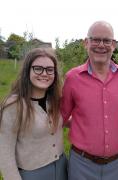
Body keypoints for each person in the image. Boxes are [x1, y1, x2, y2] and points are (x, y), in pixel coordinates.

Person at [61, 21, 118, 180]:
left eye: (107, 40)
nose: (101, 45)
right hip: (82, 165)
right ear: (86, 43)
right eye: (95, 39)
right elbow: (61, 116)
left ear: (114, 44)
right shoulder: (72, 78)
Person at [0, 48, 68, 180]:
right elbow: (4, 151)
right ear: (28, 71)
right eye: (38, 68)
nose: (44, 73)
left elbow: (61, 122)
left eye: (49, 69)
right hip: (32, 174)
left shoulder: (55, 100)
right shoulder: (14, 105)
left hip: (62, 168)